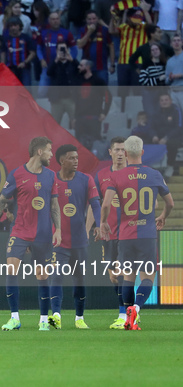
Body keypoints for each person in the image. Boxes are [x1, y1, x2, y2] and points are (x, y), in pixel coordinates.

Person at [0, 136, 62, 331]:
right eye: (49, 151)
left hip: (43, 233)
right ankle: (14, 318)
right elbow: (2, 201)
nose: (52, 155)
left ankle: (43, 319)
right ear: (39, 152)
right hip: (19, 231)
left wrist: (58, 229)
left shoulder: (51, 176)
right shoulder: (16, 174)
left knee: (42, 275)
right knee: (11, 269)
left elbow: (54, 205)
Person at [100, 136, 174, 330]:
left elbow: (106, 204)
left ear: (125, 153)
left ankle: (126, 317)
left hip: (125, 235)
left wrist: (102, 223)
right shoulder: (155, 174)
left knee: (128, 278)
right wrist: (163, 216)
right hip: (147, 235)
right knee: (148, 277)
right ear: (142, 152)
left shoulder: (116, 176)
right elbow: (170, 203)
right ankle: (136, 309)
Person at [48, 144, 101, 330]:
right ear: (62, 160)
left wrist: (99, 225)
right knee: (56, 275)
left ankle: (79, 318)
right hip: (58, 241)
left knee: (79, 278)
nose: (76, 161)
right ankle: (56, 315)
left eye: (77, 158)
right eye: (71, 158)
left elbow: (95, 204)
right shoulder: (50, 180)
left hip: (79, 241)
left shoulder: (86, 179)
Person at [94, 136, 127, 329]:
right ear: (110, 152)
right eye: (117, 150)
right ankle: (128, 310)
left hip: (128, 234)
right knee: (113, 276)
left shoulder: (134, 174)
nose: (120, 153)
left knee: (123, 273)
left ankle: (125, 313)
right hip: (108, 234)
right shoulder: (102, 175)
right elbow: (94, 203)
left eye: (123, 150)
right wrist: (96, 225)